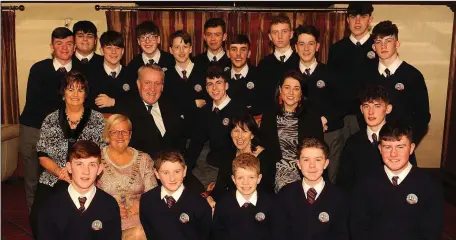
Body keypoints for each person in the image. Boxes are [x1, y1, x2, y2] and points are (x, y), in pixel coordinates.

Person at [30, 72, 105, 236]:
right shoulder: (50, 119)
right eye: (70, 89)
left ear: (86, 94)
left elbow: (103, 154)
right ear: (63, 93)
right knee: (38, 217)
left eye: (80, 90)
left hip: (87, 176)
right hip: (54, 176)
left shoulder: (98, 119)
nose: (75, 94)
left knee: (76, 220)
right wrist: (60, 172)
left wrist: (80, 173)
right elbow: (42, 155)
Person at [350, 122, 443, 240]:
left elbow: (432, 231)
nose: (393, 154)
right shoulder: (365, 183)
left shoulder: (429, 185)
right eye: (387, 147)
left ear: (411, 148)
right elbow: (358, 229)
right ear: (380, 149)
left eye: (400, 147)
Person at [19, 26, 79, 211]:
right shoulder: (38, 69)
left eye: (69, 44)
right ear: (52, 46)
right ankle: (36, 219)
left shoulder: (81, 71)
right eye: (59, 43)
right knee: (32, 180)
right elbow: (35, 102)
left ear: (75, 47)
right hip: (34, 129)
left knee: (63, 178)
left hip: (68, 131)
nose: (64, 48)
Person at [291, 24, 345, 183]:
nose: (306, 48)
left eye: (311, 43)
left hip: (328, 134)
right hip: (296, 134)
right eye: (301, 44)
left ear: (318, 47)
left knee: (330, 179)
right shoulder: (289, 75)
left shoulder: (331, 74)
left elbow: (342, 104)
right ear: (295, 47)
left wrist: (326, 119)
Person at [36, 140, 121, 240]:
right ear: (69, 168)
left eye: (92, 164)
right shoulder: (50, 206)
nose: (86, 171)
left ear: (99, 169)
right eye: (79, 164)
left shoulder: (109, 205)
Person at [259, 70, 323, 193]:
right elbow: (264, 148)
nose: (291, 93)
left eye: (296, 89)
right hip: (275, 171)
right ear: (280, 90)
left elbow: (318, 150)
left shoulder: (312, 117)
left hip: (304, 170)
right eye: (287, 87)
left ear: (301, 93)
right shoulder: (269, 115)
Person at [369, 20, 431, 147]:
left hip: (402, 146)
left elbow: (422, 116)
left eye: (388, 41)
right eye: (379, 42)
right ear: (374, 47)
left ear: (397, 44)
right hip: (373, 145)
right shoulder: (367, 75)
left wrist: (408, 144)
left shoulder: (413, 76)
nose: (383, 46)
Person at [97, 114, 158, 239]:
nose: (120, 136)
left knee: (142, 231)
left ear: (130, 135)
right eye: (115, 132)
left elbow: (153, 194)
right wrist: (111, 207)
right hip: (106, 217)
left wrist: (141, 205)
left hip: (139, 216)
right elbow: (86, 192)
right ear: (108, 134)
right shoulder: (96, 158)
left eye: (124, 132)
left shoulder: (144, 159)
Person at [275, 138, 349, 240]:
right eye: (306, 160)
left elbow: (342, 234)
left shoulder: (339, 197)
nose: (312, 166)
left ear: (326, 163)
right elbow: (279, 232)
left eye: (318, 159)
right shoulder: (286, 194)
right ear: (299, 164)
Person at [327, 3, 377, 141]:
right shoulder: (337, 49)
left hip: (369, 118)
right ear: (347, 20)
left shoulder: (378, 47)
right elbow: (330, 87)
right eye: (353, 17)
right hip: (339, 120)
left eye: (363, 16)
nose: (358, 21)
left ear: (370, 19)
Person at [185, 65, 247, 170]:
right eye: (210, 84)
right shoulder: (205, 111)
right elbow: (196, 143)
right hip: (211, 164)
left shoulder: (239, 110)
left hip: (234, 166)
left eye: (218, 83)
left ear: (226, 85)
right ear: (206, 88)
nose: (214, 88)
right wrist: (185, 170)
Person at [139, 151, 212, 240]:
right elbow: (149, 232)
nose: (172, 178)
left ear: (184, 171)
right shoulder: (147, 200)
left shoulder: (199, 203)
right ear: (157, 173)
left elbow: (205, 234)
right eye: (166, 173)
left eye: (177, 172)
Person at [337, 84, 391, 191]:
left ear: (388, 109)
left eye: (377, 106)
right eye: (366, 106)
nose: (371, 112)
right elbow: (343, 184)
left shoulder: (399, 140)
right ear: (361, 109)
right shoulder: (353, 142)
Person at [212, 153, 277, 240]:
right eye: (240, 178)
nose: (245, 183)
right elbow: (217, 234)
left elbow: (277, 232)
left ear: (259, 178)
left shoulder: (271, 202)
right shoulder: (223, 204)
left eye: (251, 177)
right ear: (233, 179)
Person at [212, 113, 275, 200]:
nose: (239, 136)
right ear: (231, 133)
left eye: (245, 131)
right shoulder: (228, 154)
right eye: (236, 131)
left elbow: (266, 190)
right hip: (231, 200)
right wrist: (211, 198)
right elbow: (220, 185)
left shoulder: (264, 157)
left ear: (252, 135)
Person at [164, 30, 209, 132]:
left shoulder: (203, 71)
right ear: (171, 50)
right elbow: (167, 107)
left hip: (201, 133)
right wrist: (194, 104)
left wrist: (180, 106)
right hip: (175, 133)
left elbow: (208, 102)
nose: (181, 51)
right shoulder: (166, 76)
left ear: (190, 49)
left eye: (185, 47)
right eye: (177, 47)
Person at [256, 14, 299, 114]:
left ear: (291, 34)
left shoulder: (300, 61)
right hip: (270, 119)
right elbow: (259, 96)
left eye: (284, 32)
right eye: (275, 32)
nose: (280, 36)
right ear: (270, 37)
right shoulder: (264, 64)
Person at [126, 21, 175, 94]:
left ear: (158, 39)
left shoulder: (172, 61)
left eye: (152, 37)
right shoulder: (133, 66)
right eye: (143, 37)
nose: (147, 41)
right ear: (138, 41)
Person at [86, 30, 129, 113]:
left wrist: (113, 102)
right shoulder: (90, 75)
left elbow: (136, 104)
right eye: (109, 48)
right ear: (102, 50)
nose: (114, 52)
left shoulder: (131, 74)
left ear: (122, 51)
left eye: (117, 48)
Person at [226, 34, 261, 116]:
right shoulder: (222, 78)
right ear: (228, 53)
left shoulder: (259, 76)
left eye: (243, 49)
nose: (238, 54)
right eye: (234, 49)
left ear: (249, 54)